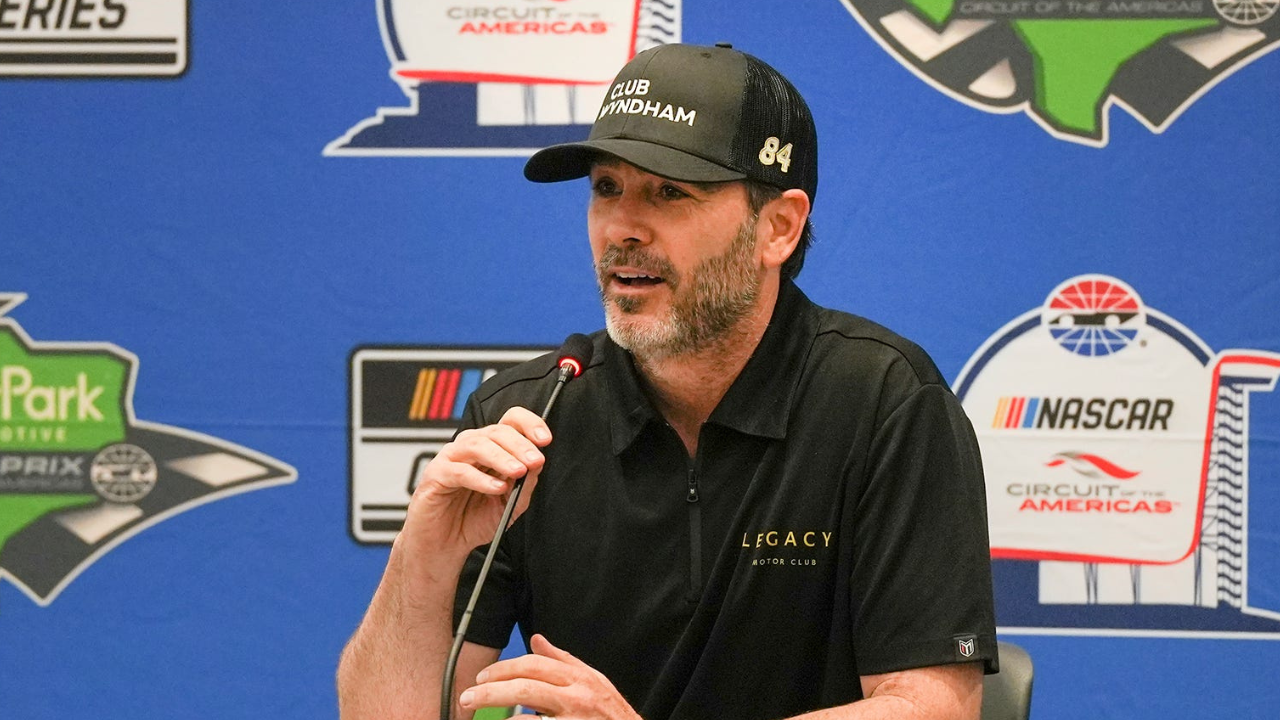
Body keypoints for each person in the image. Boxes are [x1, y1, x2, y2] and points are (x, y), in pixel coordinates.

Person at [337, 43, 997, 720]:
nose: (622, 228)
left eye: (669, 193)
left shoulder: (886, 402)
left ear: (778, 227)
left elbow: (931, 709)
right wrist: (421, 554)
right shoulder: (527, 419)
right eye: (605, 189)